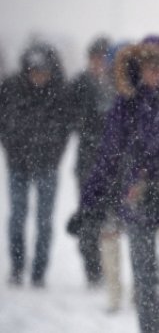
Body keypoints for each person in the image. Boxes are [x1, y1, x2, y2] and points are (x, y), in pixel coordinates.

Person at [72, 35, 159, 333]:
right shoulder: (127, 103)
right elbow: (108, 155)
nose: (155, 73)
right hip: (139, 198)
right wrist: (88, 202)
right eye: (149, 66)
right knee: (144, 274)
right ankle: (149, 329)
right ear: (139, 67)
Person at [0, 41, 69, 288]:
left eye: (44, 71)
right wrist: (11, 146)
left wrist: (54, 154)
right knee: (17, 217)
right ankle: (17, 268)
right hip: (17, 163)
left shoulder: (60, 93)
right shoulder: (10, 88)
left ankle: (39, 272)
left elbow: (65, 128)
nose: (39, 76)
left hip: (47, 165)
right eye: (34, 71)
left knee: (44, 220)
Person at [67, 36, 114, 288]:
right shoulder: (79, 85)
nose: (99, 64)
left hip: (113, 164)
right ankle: (92, 269)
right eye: (96, 58)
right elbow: (69, 119)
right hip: (87, 162)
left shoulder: (119, 86)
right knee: (88, 218)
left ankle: (109, 270)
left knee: (111, 220)